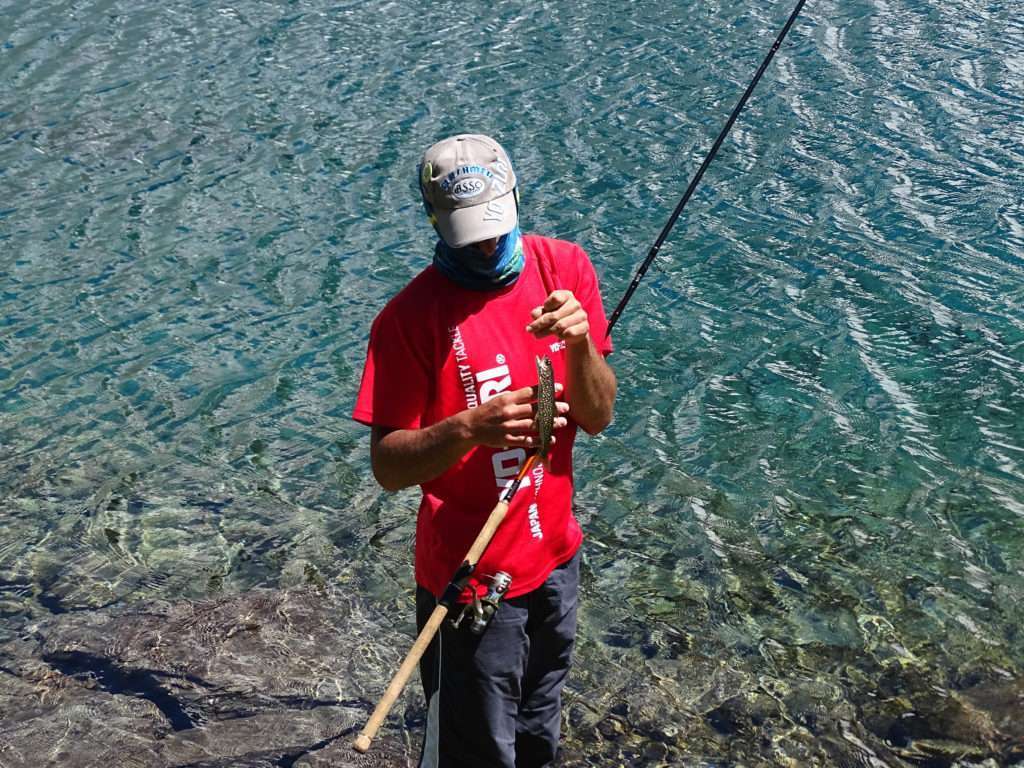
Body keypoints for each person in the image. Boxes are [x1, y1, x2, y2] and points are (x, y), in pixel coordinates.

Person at [352, 133, 616, 768]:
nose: (485, 243)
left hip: (555, 560)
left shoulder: (566, 269)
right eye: (466, 232)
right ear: (434, 221)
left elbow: (599, 415)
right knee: (476, 753)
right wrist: (468, 427)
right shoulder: (407, 320)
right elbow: (388, 467)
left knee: (538, 737)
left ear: (516, 197)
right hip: (469, 583)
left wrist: (580, 345)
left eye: (493, 225)